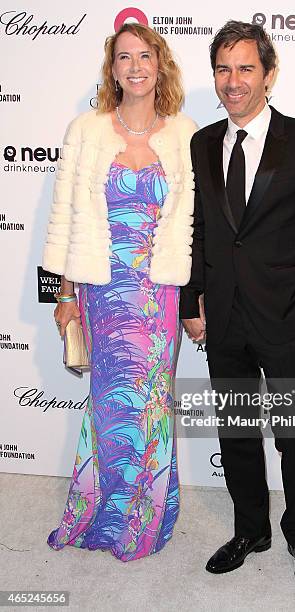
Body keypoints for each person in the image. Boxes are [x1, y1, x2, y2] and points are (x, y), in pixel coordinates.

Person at [180, 21, 295, 589]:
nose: (233, 81)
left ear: (269, 75)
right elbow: (196, 230)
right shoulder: (202, 143)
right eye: (223, 69)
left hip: (286, 318)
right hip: (222, 316)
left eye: (246, 68)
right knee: (237, 431)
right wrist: (189, 301)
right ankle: (250, 528)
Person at [43, 23, 196, 562]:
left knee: (152, 405)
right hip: (102, 293)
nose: (135, 66)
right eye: (124, 57)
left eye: (144, 56)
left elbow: (194, 227)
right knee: (109, 409)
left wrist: (195, 302)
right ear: (112, 70)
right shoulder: (85, 130)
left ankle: (148, 516)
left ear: (160, 65)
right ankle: (103, 513)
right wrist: (64, 295)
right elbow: (64, 219)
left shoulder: (184, 133)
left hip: (157, 298)